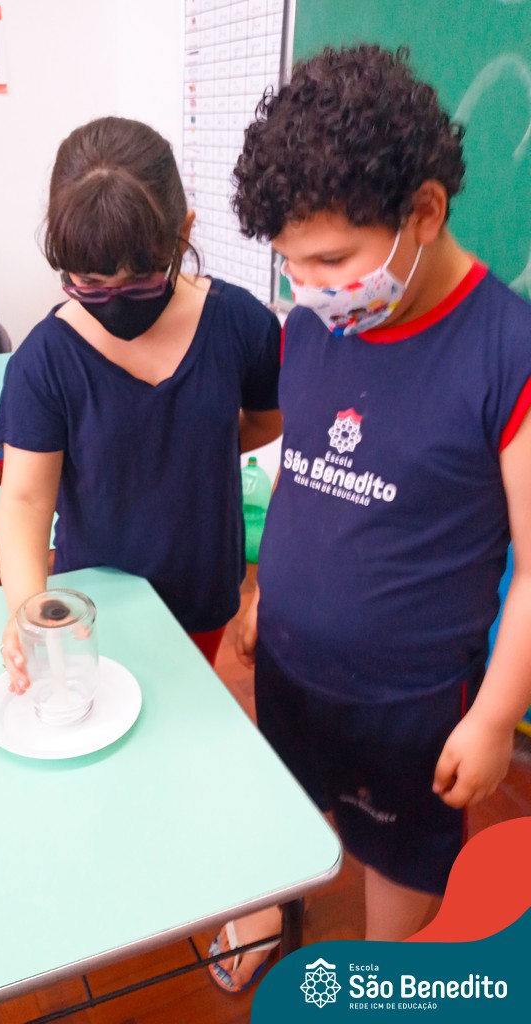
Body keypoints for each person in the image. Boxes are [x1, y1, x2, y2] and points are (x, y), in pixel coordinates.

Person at [208, 44, 531, 993]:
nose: (308, 287)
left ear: (423, 212)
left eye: (332, 260)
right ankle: (265, 908)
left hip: (412, 705)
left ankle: (386, 976)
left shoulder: (507, 352)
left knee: (398, 866)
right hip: (292, 669)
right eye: (291, 263)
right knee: (280, 808)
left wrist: (495, 715)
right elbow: (306, 475)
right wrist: (262, 595)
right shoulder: (315, 324)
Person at [0, 116, 282, 691]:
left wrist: (197, 446)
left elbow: (268, 418)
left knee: (186, 707)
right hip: (92, 611)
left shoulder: (240, 325)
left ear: (183, 232)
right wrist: (27, 610)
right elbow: (24, 502)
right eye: (90, 285)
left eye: (140, 282)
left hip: (203, 593)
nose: (116, 302)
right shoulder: (46, 361)